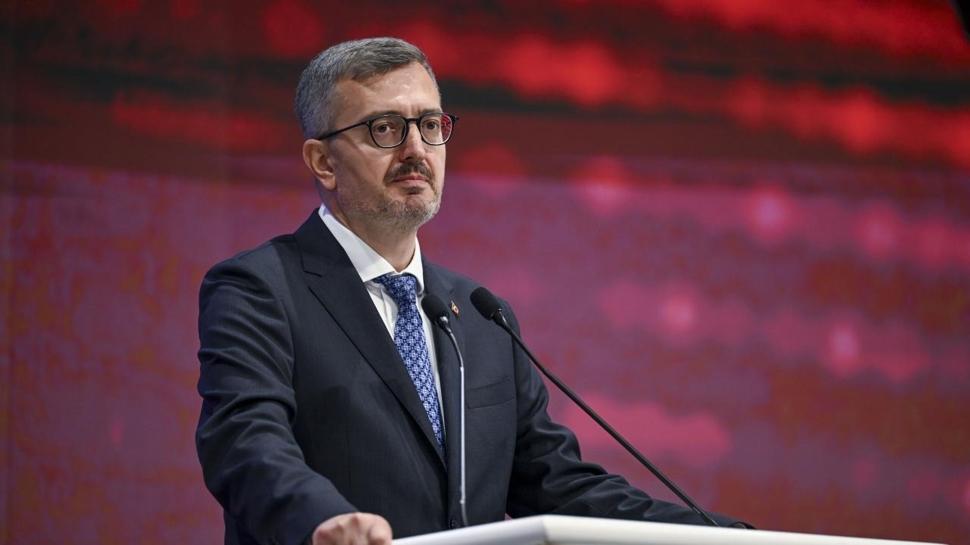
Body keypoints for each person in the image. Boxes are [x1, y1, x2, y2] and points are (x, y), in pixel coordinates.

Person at [196, 37, 746, 545]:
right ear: (323, 161)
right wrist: (321, 519)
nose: (416, 149)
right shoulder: (260, 290)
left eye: (430, 124)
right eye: (385, 129)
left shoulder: (481, 316)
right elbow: (245, 440)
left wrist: (728, 537)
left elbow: (558, 485)